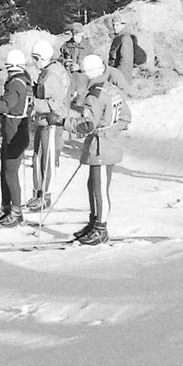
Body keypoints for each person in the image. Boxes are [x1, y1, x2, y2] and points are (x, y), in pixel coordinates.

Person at [69, 55, 131, 245]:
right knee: (93, 185)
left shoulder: (94, 95)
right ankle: (94, 221)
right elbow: (126, 118)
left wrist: (65, 123)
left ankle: (101, 228)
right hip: (107, 143)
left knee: (99, 189)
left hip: (101, 147)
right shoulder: (111, 89)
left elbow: (87, 125)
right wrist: (110, 129)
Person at [0, 48, 34, 226]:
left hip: (16, 130)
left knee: (10, 172)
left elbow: (5, 105)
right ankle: (6, 207)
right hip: (13, 128)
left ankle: (16, 211)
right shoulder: (22, 80)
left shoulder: (16, 84)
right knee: (4, 171)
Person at [27, 40, 71, 212]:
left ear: (42, 58)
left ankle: (45, 194)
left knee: (46, 158)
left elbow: (55, 102)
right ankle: (38, 192)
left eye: (35, 58)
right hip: (44, 119)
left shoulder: (51, 75)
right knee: (38, 157)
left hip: (50, 121)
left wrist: (34, 103)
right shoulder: (51, 70)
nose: (34, 62)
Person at [106, 16, 136, 82]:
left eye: (117, 25)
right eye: (113, 25)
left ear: (123, 25)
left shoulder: (125, 38)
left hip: (121, 76)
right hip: (115, 73)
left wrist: (118, 76)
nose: (114, 27)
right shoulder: (118, 37)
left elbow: (125, 61)